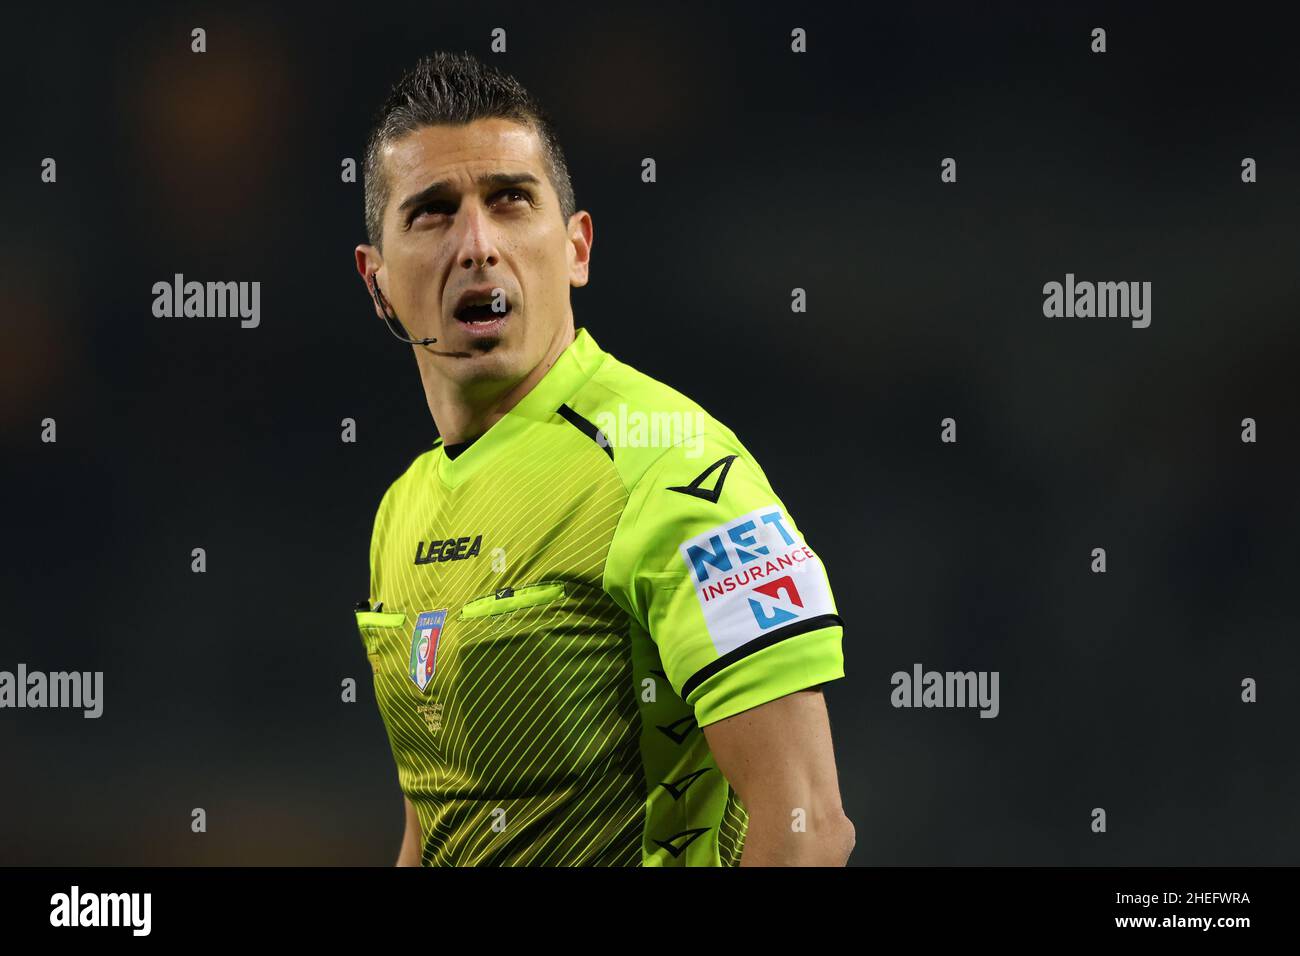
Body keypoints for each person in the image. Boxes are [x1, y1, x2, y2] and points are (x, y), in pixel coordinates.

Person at [352, 51, 853, 866]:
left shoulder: (673, 464)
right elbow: (434, 830)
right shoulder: (400, 512)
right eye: (434, 212)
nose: (477, 243)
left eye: (510, 200)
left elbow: (808, 827)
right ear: (376, 284)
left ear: (578, 248)